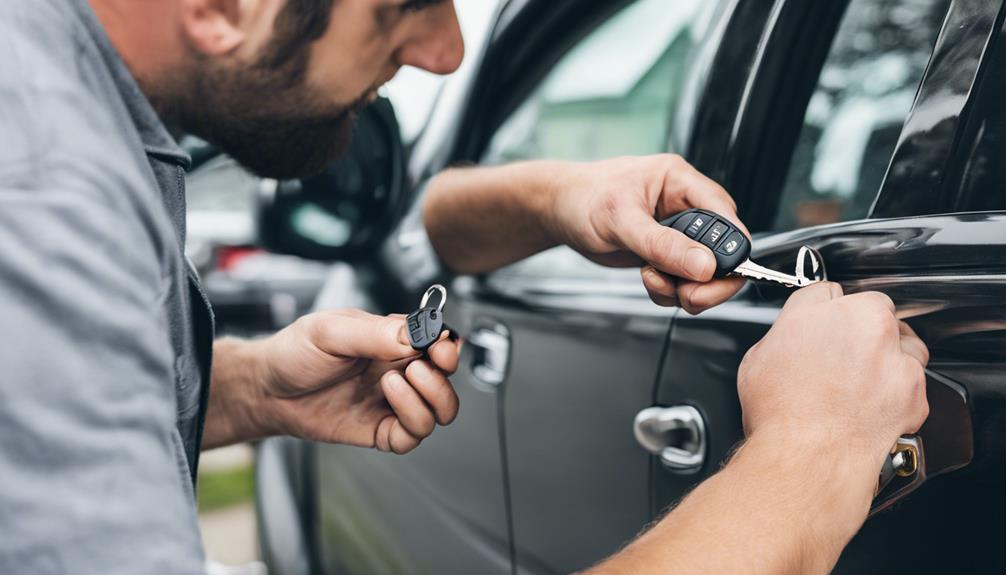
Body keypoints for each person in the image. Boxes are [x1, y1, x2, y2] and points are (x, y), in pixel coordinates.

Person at [0, 0, 929, 574]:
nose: (446, 50)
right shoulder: (43, 197)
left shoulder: (68, 101)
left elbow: (418, 226)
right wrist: (810, 454)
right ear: (219, 7)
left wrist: (236, 389)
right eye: (404, 3)